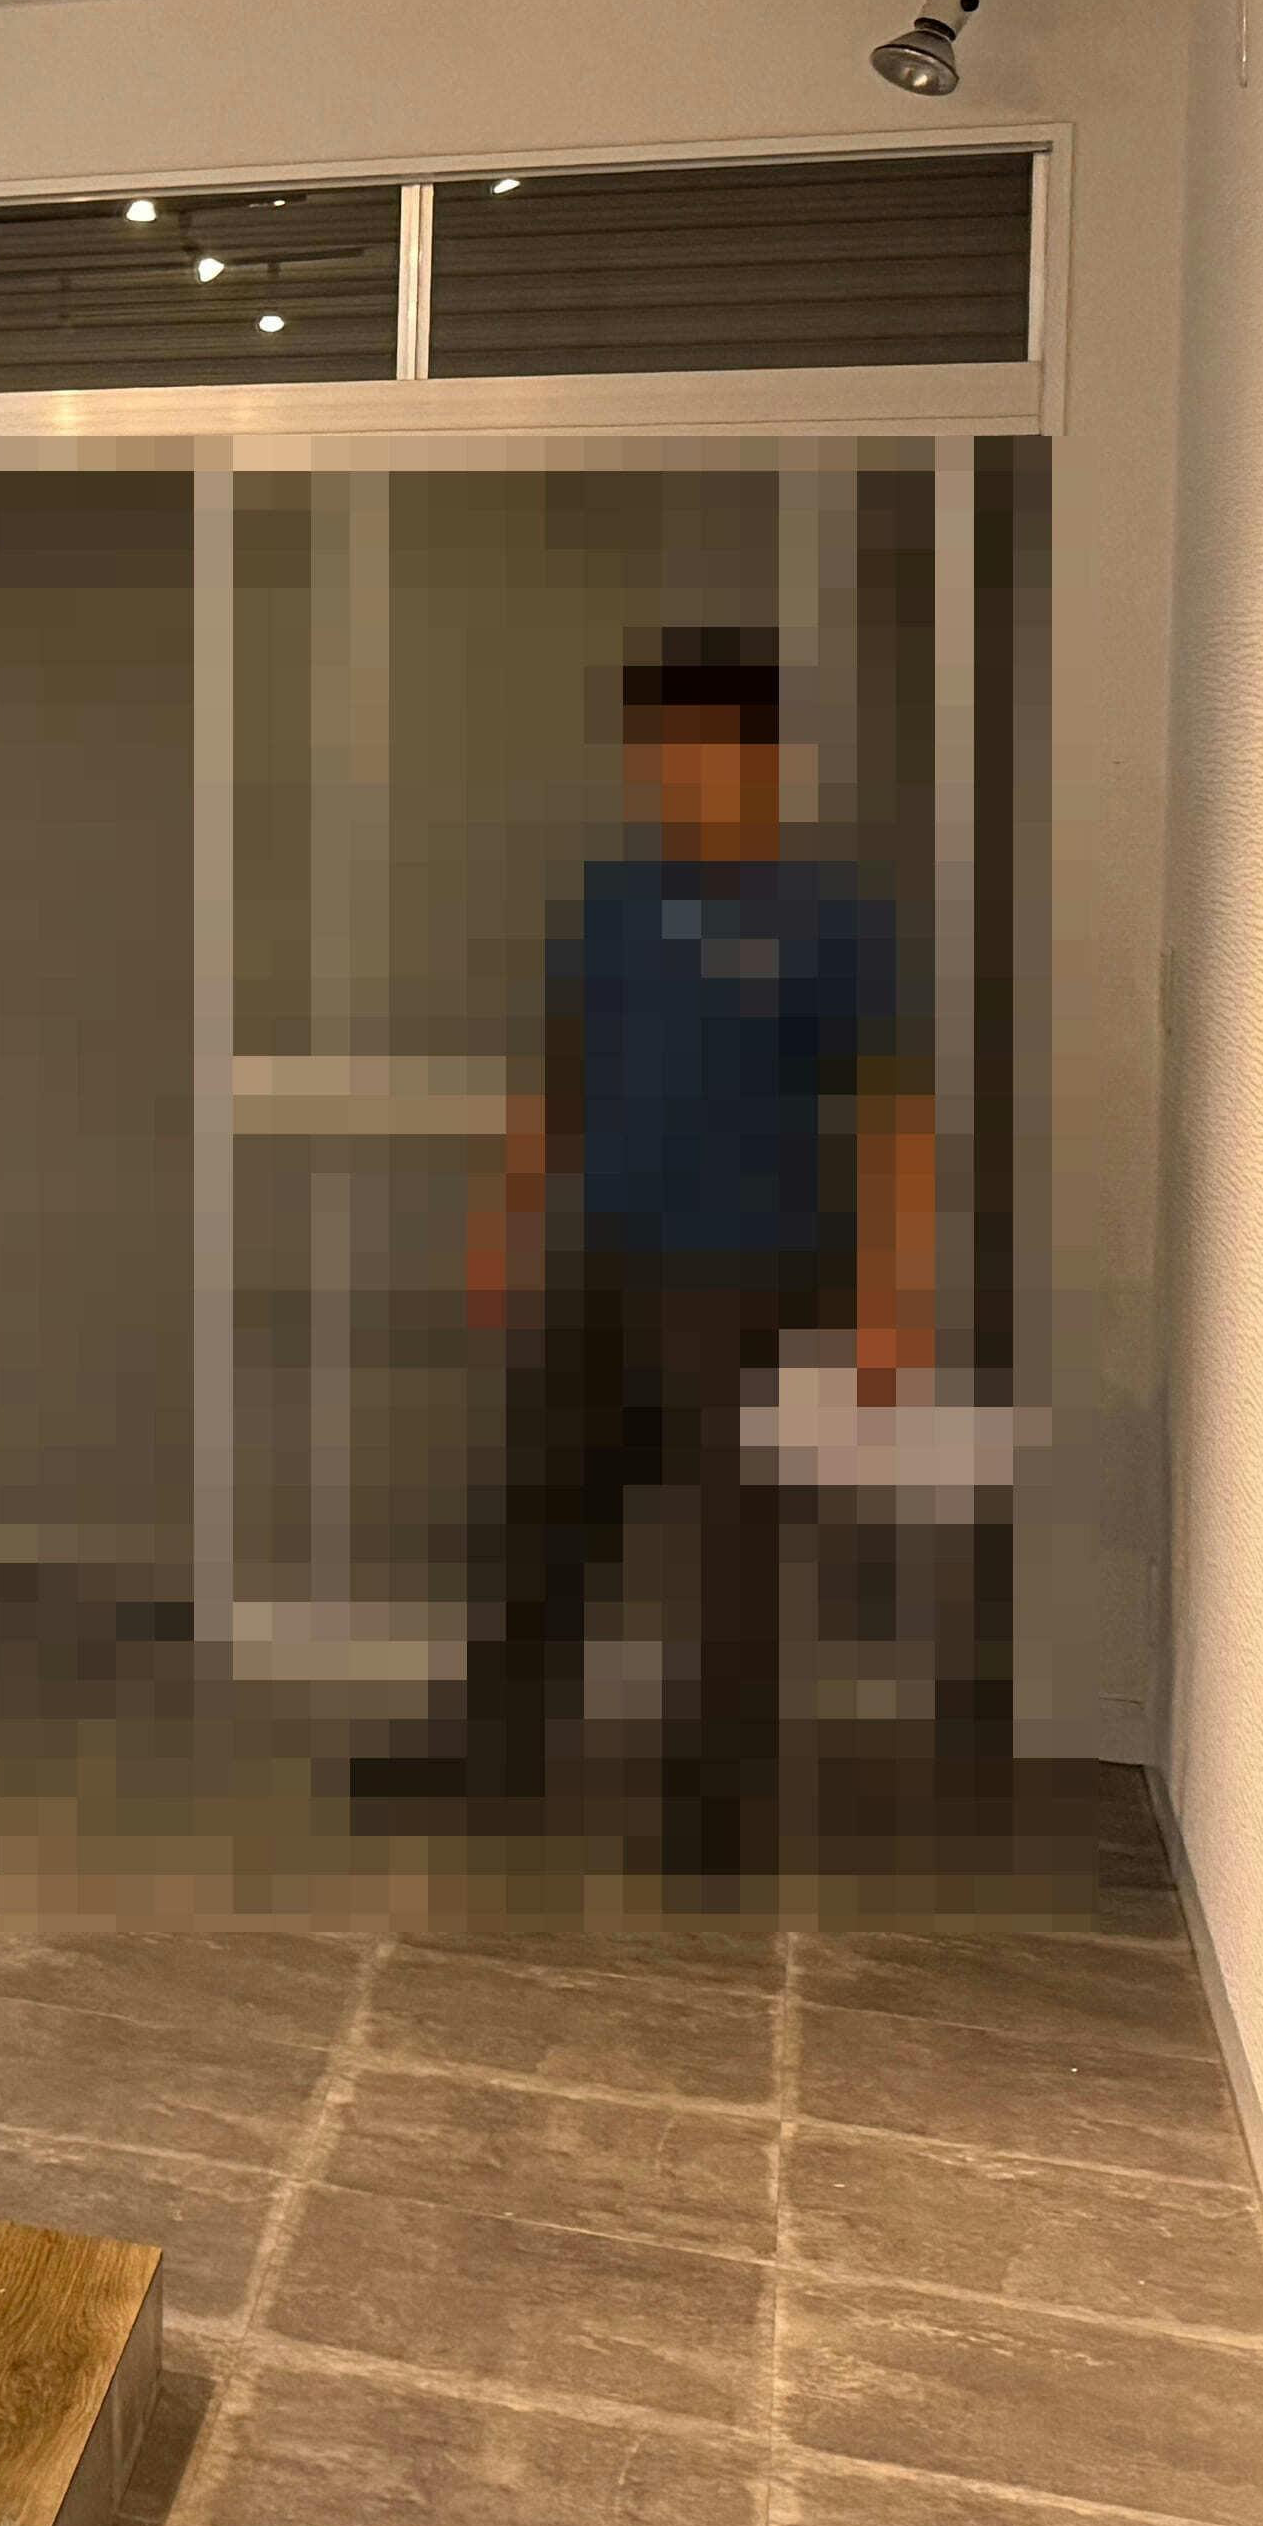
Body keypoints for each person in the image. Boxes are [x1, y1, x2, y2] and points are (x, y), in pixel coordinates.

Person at [363, 633, 926, 1879]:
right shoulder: (618, 901)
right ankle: (491, 1758)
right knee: (542, 1517)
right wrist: (508, 1217)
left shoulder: (832, 917)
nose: (674, 776)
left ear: (764, 759)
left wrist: (891, 1302)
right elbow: (562, 1070)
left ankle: (711, 1812)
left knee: (732, 1550)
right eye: (660, 753)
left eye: (700, 751)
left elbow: (895, 1114)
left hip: (758, 1276)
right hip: (606, 1262)